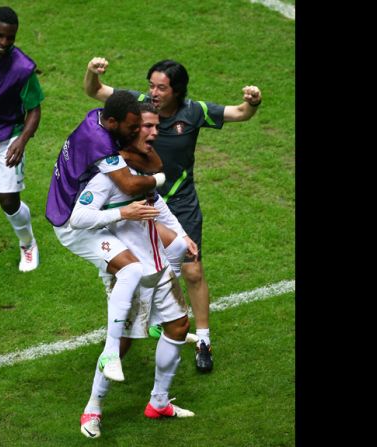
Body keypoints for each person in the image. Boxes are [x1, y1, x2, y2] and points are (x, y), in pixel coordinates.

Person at [84, 57, 263, 372]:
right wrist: (92, 73)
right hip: (139, 201)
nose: (153, 92)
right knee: (129, 272)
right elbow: (95, 91)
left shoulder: (194, 112)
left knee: (192, 271)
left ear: (177, 91)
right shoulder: (138, 104)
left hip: (179, 203)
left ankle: (204, 341)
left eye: (161, 87)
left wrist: (253, 102)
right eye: (151, 84)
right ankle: (123, 335)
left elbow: (240, 113)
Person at [70, 107, 199, 438]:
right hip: (132, 273)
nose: (155, 133)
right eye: (147, 127)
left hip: (159, 268)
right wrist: (121, 214)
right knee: (123, 344)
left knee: (178, 325)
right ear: (130, 132)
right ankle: (92, 410)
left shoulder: (140, 171)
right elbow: (79, 217)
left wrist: (182, 235)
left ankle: (158, 401)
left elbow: (159, 205)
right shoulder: (108, 177)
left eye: (157, 126)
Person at [46, 91, 167, 382]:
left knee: (133, 266)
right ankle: (111, 352)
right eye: (133, 128)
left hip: (82, 210)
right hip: (73, 224)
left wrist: (132, 154)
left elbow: (152, 163)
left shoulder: (96, 117)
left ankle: (150, 321)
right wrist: (157, 183)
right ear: (112, 122)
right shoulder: (100, 142)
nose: (139, 132)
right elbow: (130, 184)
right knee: (132, 268)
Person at [0, 6, 44, 272]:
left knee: (8, 201)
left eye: (10, 37)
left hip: (7, 137)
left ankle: (28, 244)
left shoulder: (22, 67)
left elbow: (34, 109)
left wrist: (21, 141)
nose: (5, 43)